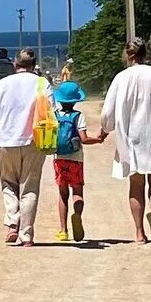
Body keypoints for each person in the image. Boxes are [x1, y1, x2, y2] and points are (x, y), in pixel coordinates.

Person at [99, 37, 151, 244]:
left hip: (129, 138)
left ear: (127, 56)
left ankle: (139, 233)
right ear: (146, 53)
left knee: (135, 186)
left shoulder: (120, 78)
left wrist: (105, 130)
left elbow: (107, 112)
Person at [0, 47, 50, 247]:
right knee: (29, 188)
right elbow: (51, 112)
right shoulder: (42, 83)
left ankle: (12, 223)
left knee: (8, 184)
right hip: (34, 142)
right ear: (34, 65)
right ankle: (26, 235)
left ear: (15, 64)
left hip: (6, 142)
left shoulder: (4, 84)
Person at [51, 81, 104, 243]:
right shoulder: (78, 116)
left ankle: (63, 230)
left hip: (59, 159)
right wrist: (98, 139)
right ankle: (77, 215)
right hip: (76, 159)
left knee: (62, 194)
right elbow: (84, 139)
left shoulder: (54, 115)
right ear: (75, 101)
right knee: (78, 192)